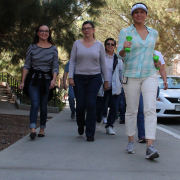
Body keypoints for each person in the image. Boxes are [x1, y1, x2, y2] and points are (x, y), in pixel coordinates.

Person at [117, 2, 161, 159]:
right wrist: (123, 48)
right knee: (132, 110)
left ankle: (150, 146)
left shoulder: (153, 33)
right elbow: (120, 55)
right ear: (132, 15)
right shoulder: (125, 31)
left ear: (146, 15)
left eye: (143, 12)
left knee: (150, 109)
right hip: (131, 74)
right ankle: (130, 141)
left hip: (150, 73)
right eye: (136, 12)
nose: (139, 14)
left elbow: (151, 53)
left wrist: (156, 63)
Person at [69, 21, 108, 142]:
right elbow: (72, 61)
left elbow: (103, 63)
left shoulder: (99, 45)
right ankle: (81, 124)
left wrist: (106, 79)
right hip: (79, 77)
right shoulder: (77, 44)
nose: (86, 30)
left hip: (94, 78)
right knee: (80, 105)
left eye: (89, 28)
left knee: (91, 104)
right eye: (84, 28)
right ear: (82, 31)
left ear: (93, 30)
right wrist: (71, 77)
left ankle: (90, 133)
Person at [19, 25, 59, 140]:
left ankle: (42, 129)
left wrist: (53, 80)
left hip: (46, 80)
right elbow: (27, 65)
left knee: (43, 106)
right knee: (35, 103)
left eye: (46, 31)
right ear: (37, 33)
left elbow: (55, 67)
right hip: (34, 80)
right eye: (41, 31)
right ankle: (32, 129)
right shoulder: (32, 47)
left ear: (49, 33)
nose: (44, 33)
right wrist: (22, 82)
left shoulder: (53, 49)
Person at [137, 50, 168, 143]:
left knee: (150, 109)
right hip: (139, 84)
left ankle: (150, 134)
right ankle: (142, 135)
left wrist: (165, 80)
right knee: (141, 109)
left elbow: (161, 69)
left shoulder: (157, 54)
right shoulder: (139, 50)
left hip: (153, 84)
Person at [96, 38, 123, 135]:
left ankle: (110, 126)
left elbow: (121, 73)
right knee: (99, 107)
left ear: (114, 46)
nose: (110, 46)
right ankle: (98, 120)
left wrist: (121, 84)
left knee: (114, 108)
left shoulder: (118, 59)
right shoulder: (100, 58)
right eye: (108, 44)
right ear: (105, 45)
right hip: (102, 87)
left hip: (115, 87)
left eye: (112, 44)